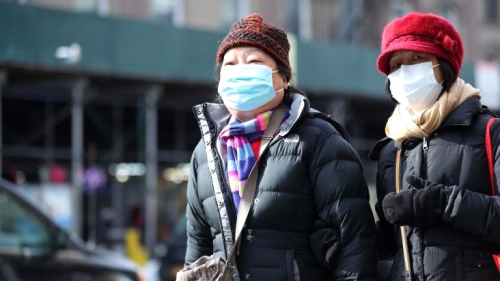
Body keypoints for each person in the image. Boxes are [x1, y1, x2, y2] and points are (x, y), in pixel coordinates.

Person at [184, 13, 377, 280]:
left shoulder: (318, 139)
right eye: (229, 64)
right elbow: (198, 245)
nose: (240, 70)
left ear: (283, 79)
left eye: (253, 62)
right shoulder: (205, 152)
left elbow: (355, 243)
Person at [369, 12, 500, 281]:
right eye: (396, 65)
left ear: (444, 66)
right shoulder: (391, 149)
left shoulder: (490, 132)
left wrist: (442, 203)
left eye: (417, 58)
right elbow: (394, 239)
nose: (405, 71)